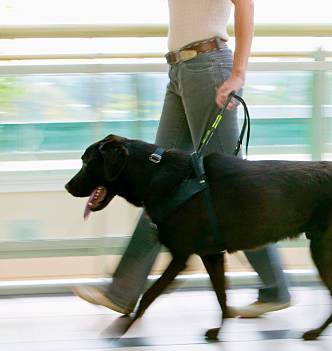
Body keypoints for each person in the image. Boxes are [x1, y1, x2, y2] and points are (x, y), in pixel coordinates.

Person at [74, 0, 291, 318]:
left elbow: (245, 4)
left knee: (233, 189)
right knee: (156, 183)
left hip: (208, 70)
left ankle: (276, 287)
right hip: (179, 72)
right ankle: (122, 292)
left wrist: (238, 74)